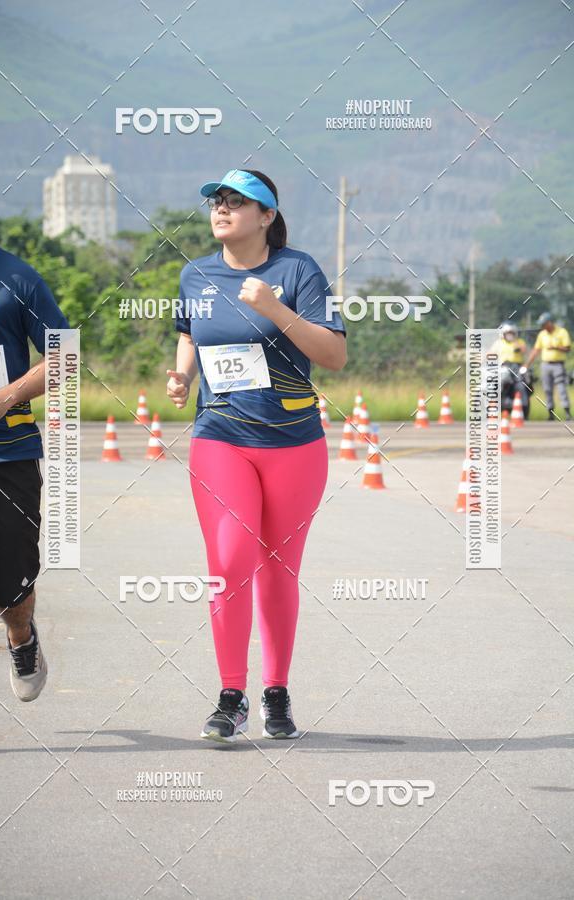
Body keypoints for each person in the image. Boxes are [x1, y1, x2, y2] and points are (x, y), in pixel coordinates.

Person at [167, 168, 347, 743]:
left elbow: (335, 354)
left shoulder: (298, 271)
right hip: (219, 435)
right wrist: (182, 374)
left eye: (236, 203)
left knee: (277, 568)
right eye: (217, 202)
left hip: (294, 443)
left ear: (267, 216)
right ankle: (229, 695)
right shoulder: (195, 274)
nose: (222, 210)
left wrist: (274, 307)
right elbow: (191, 332)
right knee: (229, 562)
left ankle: (276, 692)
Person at [0, 169, 70, 700]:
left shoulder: (18, 280)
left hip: (6, 453)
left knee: (9, 584)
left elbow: (66, 356)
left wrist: (3, 397)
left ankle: (20, 634)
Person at [524, 312, 571, 420]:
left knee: (561, 389)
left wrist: (556, 348)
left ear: (549, 323)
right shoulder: (542, 334)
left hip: (558, 364)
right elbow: (536, 350)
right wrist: (527, 364)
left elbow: (568, 348)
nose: (542, 326)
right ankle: (551, 414)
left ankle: (567, 412)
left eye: (544, 324)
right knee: (547, 389)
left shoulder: (561, 332)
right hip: (545, 365)